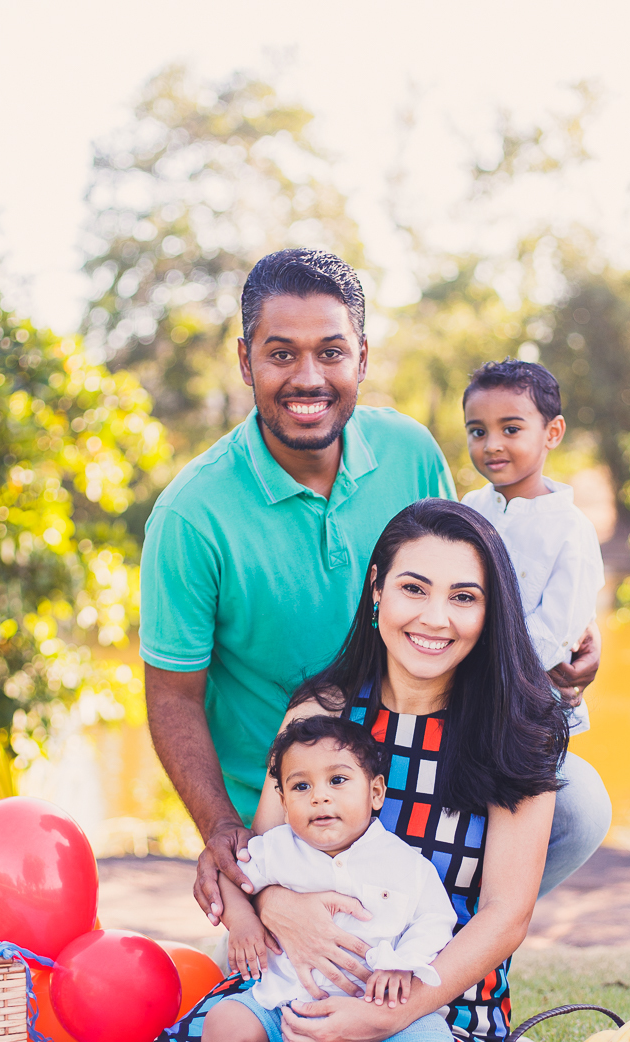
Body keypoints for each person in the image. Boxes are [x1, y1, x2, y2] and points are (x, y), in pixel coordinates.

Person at [75, 500, 600, 1042]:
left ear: (489, 611)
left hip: (430, 998)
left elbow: (505, 914)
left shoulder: (518, 732)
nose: (435, 618)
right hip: (287, 983)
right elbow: (260, 855)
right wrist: (277, 906)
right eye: (414, 588)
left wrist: (389, 1013)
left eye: (463, 597)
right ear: (377, 589)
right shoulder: (321, 710)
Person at [138, 248, 457, 924]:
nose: (308, 378)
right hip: (287, 812)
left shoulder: (412, 453)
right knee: (275, 1013)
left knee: (575, 799)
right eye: (282, 354)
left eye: (331, 353)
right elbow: (172, 698)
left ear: (362, 358)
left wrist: (563, 645)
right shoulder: (192, 514)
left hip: (418, 772)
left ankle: (454, 930)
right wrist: (224, 831)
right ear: (246, 359)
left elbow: (468, 603)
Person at [193, 714, 537, 1042]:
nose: (319, 796)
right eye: (300, 787)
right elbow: (231, 877)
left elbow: (436, 920)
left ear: (374, 792)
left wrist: (404, 965)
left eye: (337, 780)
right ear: (282, 799)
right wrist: (241, 919)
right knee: (225, 1024)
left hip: (378, 1008)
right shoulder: (275, 850)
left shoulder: (404, 864)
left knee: (432, 1041)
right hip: (287, 1014)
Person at [461, 358, 605, 734]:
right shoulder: (467, 509)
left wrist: (470, 658)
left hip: (532, 716)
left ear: (552, 433)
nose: (492, 445)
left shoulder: (572, 531)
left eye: (511, 429)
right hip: (461, 702)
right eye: (477, 432)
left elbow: (554, 636)